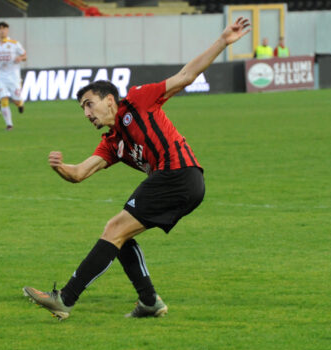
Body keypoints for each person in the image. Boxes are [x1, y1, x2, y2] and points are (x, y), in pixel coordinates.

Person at [23, 17, 251, 320]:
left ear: (110, 100)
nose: (86, 113)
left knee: (114, 229)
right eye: (82, 109)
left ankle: (65, 299)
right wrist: (60, 167)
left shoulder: (138, 100)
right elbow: (79, 174)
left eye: (89, 104)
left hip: (179, 173)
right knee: (120, 235)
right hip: (180, 183)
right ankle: (149, 302)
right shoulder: (112, 142)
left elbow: (185, 76)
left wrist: (223, 40)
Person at [0, 21, 26, 131]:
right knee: (3, 98)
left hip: (13, 77)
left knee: (16, 100)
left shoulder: (14, 43)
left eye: (4, 29)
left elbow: (24, 55)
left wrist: (20, 58)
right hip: (0, 76)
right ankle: (9, 124)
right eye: (0, 29)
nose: (2, 31)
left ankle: (20, 104)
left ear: (7, 30)